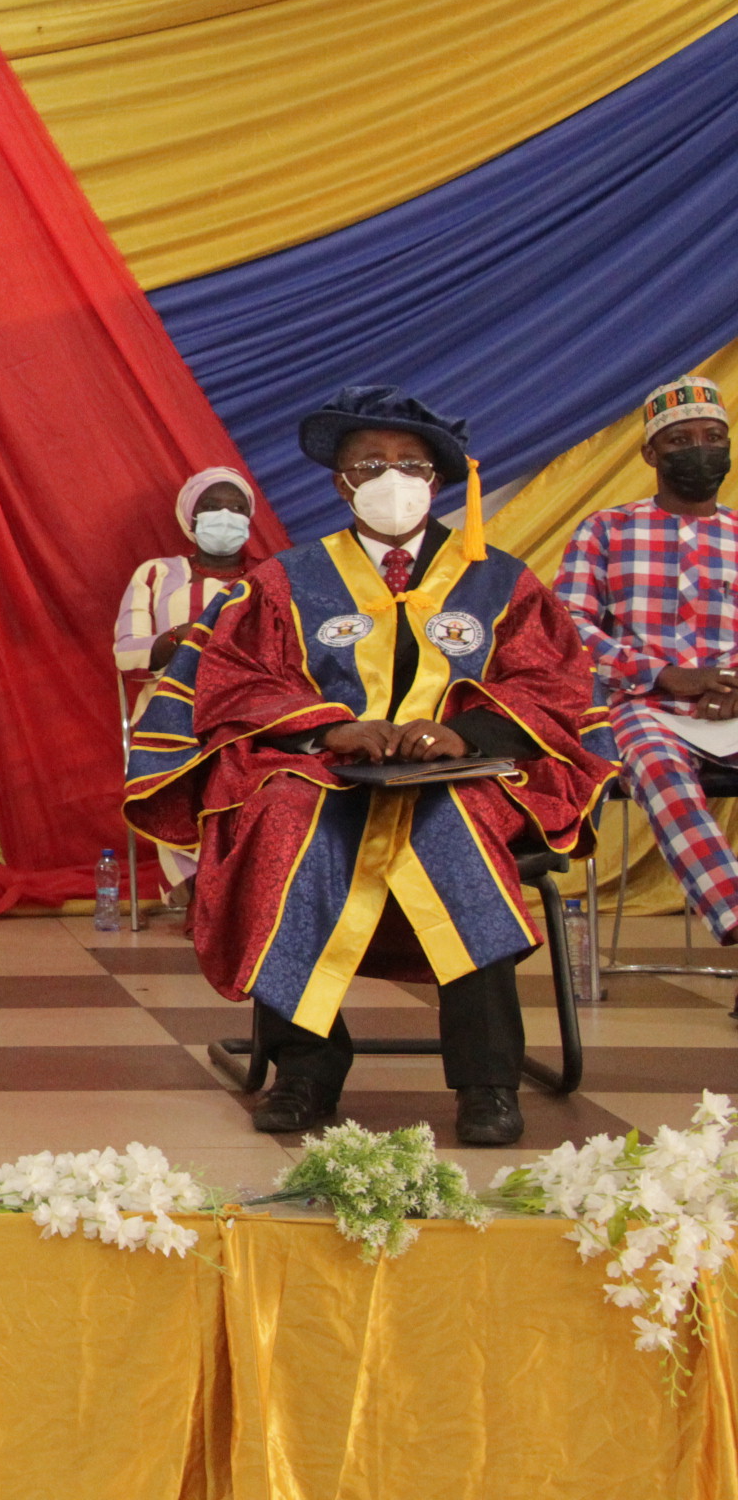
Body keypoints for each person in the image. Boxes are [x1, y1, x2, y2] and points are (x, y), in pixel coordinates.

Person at [126, 386, 613, 1146]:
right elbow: (240, 679)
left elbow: (552, 681)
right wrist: (331, 728)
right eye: (371, 464)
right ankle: (306, 1069)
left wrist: (469, 734)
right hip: (328, 772)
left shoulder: (499, 580)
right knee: (282, 819)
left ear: (439, 480)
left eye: (411, 464)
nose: (393, 478)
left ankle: (487, 1081)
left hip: (461, 776)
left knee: (457, 828)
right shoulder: (292, 578)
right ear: (340, 482)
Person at [555, 374, 738, 1006]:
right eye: (682, 438)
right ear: (651, 454)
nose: (701, 449)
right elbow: (567, 628)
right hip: (645, 706)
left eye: (714, 437)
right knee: (657, 763)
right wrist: (662, 674)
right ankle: (734, 909)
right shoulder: (605, 529)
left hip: (733, 705)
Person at [113, 467, 258, 898]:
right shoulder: (155, 575)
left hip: (251, 707)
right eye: (212, 507)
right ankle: (199, 887)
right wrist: (183, 638)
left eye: (236, 508)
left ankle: (245, 881)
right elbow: (127, 654)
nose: (225, 516)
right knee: (181, 761)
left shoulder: (274, 575)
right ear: (190, 519)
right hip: (170, 709)